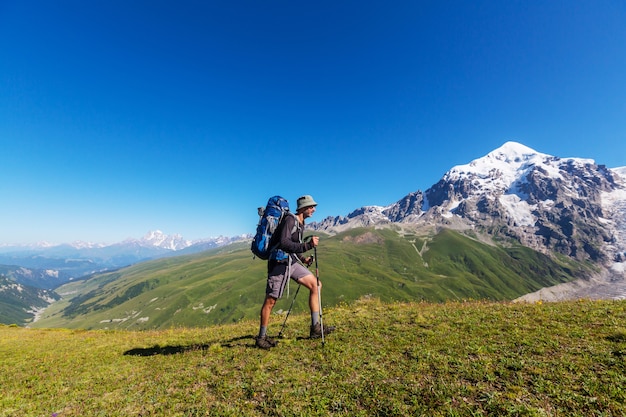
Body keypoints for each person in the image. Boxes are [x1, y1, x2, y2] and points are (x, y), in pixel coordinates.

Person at [255, 194, 335, 349]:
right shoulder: (290, 220)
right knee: (271, 301)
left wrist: (303, 259)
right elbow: (284, 243)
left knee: (316, 285)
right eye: (312, 207)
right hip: (278, 262)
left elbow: (294, 245)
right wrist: (307, 246)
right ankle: (261, 338)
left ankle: (316, 328)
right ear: (304, 208)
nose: (314, 209)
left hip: (291, 262)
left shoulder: (301, 222)